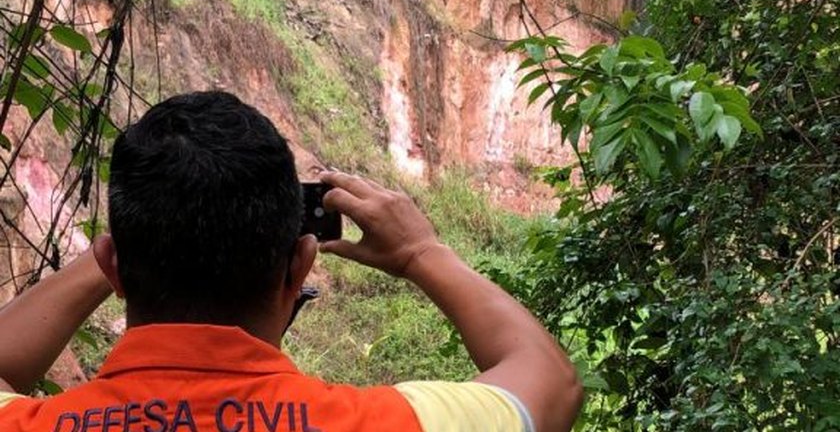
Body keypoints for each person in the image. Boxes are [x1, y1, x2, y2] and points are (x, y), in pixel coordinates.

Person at [0, 91, 582, 431]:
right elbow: (549, 382)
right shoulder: (384, 423)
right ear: (299, 265)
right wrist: (420, 252)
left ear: (113, 268)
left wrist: (139, 236)